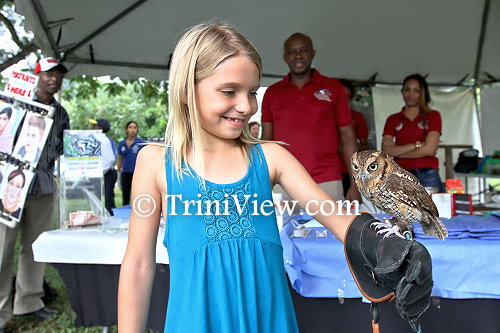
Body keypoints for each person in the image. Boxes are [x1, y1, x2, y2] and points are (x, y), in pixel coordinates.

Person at [118, 23, 432, 333]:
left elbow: (338, 219)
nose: (245, 106)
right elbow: (138, 265)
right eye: (229, 91)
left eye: (252, 93)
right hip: (195, 322)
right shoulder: (155, 162)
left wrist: (382, 243)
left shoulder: (270, 157)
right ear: (187, 90)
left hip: (268, 322)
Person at [0, 57, 69, 330]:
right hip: (11, 188)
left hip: (43, 187)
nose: (53, 78)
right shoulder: (16, 104)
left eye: (58, 75)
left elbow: (62, 147)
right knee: (3, 248)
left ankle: (28, 302)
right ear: (37, 76)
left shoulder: (61, 113)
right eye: (48, 74)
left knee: (33, 247)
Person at [261, 33, 361, 203]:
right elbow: (266, 142)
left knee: (330, 230)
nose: (298, 56)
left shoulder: (334, 88)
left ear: (313, 53)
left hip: (327, 180)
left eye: (303, 50)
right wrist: (265, 182)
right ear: (285, 57)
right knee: (283, 230)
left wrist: (355, 185)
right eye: (292, 52)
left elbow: (348, 137)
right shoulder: (272, 93)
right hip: (283, 182)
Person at [381, 74, 444, 192]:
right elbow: (386, 151)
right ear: (402, 92)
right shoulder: (393, 119)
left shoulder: (433, 116)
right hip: (400, 174)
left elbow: (430, 149)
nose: (411, 95)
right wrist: (416, 145)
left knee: (432, 210)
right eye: (407, 90)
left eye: (417, 91)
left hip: (427, 173)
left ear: (423, 93)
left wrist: (398, 152)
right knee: (402, 210)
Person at [338, 79, 369, 197]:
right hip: (327, 172)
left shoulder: (357, 117)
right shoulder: (323, 117)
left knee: (350, 210)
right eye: (340, 96)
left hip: (350, 172)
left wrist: (346, 146)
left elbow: (365, 146)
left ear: (350, 99)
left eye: (346, 97)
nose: (343, 100)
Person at [90, 118, 117, 215]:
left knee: (108, 199)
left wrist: (100, 172)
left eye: (95, 125)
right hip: (101, 173)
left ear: (100, 127)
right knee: (98, 198)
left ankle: (112, 218)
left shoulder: (104, 140)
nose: (92, 127)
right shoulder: (96, 139)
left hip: (107, 173)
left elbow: (111, 159)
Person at [117, 121, 146, 206]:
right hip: (125, 173)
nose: (132, 130)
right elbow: (119, 158)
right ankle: (125, 213)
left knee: (138, 194)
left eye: (134, 127)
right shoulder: (122, 143)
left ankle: (138, 212)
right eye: (130, 127)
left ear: (137, 130)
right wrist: (119, 170)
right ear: (126, 130)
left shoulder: (141, 143)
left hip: (138, 173)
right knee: (125, 195)